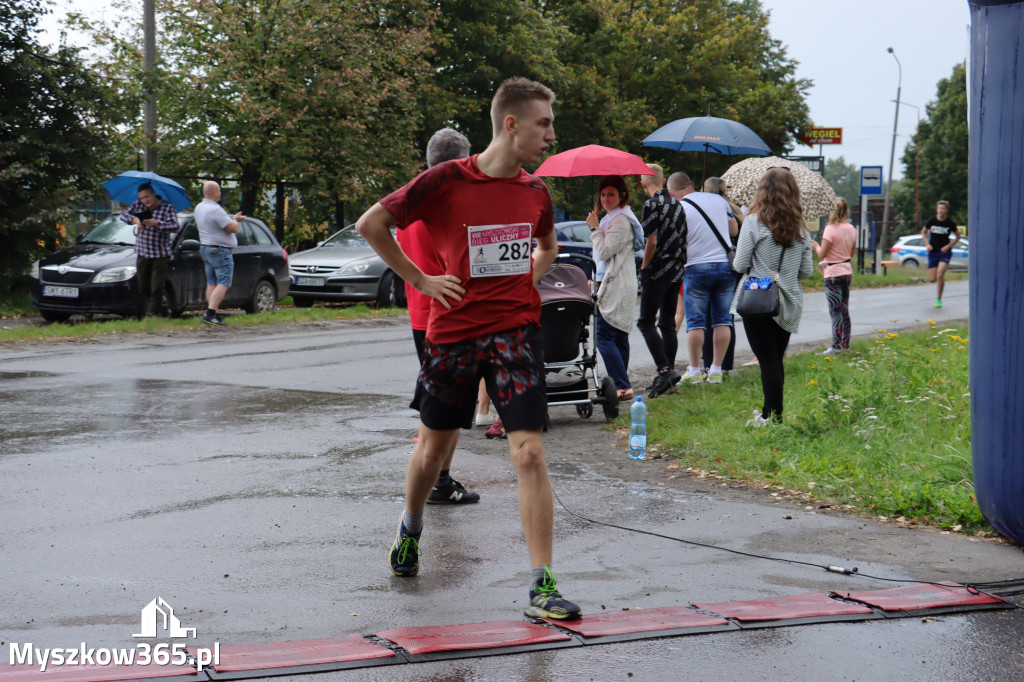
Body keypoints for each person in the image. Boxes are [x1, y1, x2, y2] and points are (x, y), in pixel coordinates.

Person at [354, 77, 580, 621]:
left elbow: (547, 246)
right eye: (544, 123)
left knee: (528, 451)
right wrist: (423, 281)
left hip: (515, 333)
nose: (551, 134)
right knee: (434, 452)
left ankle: (541, 583)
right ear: (511, 123)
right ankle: (410, 527)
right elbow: (372, 223)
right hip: (452, 335)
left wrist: (529, 277)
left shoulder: (536, 193)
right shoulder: (445, 180)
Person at [395, 127, 480, 505]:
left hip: (420, 310)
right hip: (450, 314)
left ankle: (438, 478)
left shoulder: (408, 197)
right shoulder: (453, 201)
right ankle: (440, 482)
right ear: (464, 160)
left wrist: (417, 280)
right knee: (448, 406)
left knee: (437, 403)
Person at [731, 168, 813, 426]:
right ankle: (771, 413)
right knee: (775, 360)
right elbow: (806, 271)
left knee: (767, 361)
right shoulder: (801, 227)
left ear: (762, 190)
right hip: (788, 301)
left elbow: (740, 263)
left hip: (759, 300)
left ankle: (772, 418)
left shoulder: (754, 222)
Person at [669, 172, 738, 386]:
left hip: (697, 268)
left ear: (672, 193)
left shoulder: (680, 208)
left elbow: (681, 240)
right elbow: (733, 229)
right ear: (691, 184)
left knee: (696, 323)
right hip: (725, 267)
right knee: (723, 320)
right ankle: (716, 370)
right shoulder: (719, 200)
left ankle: (694, 370)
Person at [589, 175, 640, 402]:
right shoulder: (613, 218)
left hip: (617, 283)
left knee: (605, 337)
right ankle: (622, 386)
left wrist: (593, 229)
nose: (606, 198)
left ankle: (621, 384)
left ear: (622, 196)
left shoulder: (620, 220)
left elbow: (603, 252)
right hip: (616, 281)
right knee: (618, 336)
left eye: (611, 194)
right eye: (603, 194)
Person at [638, 164, 686, 398]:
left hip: (657, 270)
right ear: (663, 179)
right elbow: (684, 237)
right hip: (677, 268)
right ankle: (670, 376)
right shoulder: (678, 204)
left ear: (642, 184)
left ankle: (664, 369)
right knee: (667, 323)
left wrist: (644, 266)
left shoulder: (650, 205)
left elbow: (652, 241)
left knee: (646, 322)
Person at [700, 177, 742, 373]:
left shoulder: (703, 206)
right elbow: (735, 233)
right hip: (732, 266)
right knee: (726, 319)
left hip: (707, 264)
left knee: (708, 320)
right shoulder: (734, 209)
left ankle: (710, 365)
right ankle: (726, 366)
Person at [119, 183, 179, 318]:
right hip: (143, 251)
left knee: (157, 287)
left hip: (161, 253)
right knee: (143, 286)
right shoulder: (138, 205)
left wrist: (158, 223)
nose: (144, 200)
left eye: (146, 197)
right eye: (141, 198)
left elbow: (175, 227)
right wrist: (135, 220)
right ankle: (163, 308)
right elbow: (123, 214)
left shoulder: (167, 207)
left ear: (153, 194)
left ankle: (151, 316)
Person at [811, 197, 857, 354]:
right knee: (844, 309)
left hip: (832, 274)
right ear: (846, 212)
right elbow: (852, 252)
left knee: (835, 311)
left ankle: (836, 346)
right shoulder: (851, 229)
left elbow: (822, 253)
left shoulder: (830, 229)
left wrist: (816, 246)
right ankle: (846, 345)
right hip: (846, 271)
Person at [195, 181, 243, 326]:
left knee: (212, 282)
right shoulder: (215, 209)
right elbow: (232, 228)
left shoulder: (199, 207)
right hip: (219, 250)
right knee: (224, 282)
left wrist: (231, 219)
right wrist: (235, 219)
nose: (221, 193)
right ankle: (210, 313)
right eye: (220, 190)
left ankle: (211, 312)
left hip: (206, 248)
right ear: (215, 192)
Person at [921, 200, 960, 308]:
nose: (940, 210)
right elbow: (923, 231)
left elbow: (958, 236)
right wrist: (927, 244)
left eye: (943, 208)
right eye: (939, 208)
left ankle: (938, 299)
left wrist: (948, 246)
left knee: (940, 274)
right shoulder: (932, 220)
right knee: (932, 279)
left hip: (944, 252)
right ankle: (938, 286)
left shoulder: (950, 223)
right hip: (933, 252)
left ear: (946, 210)